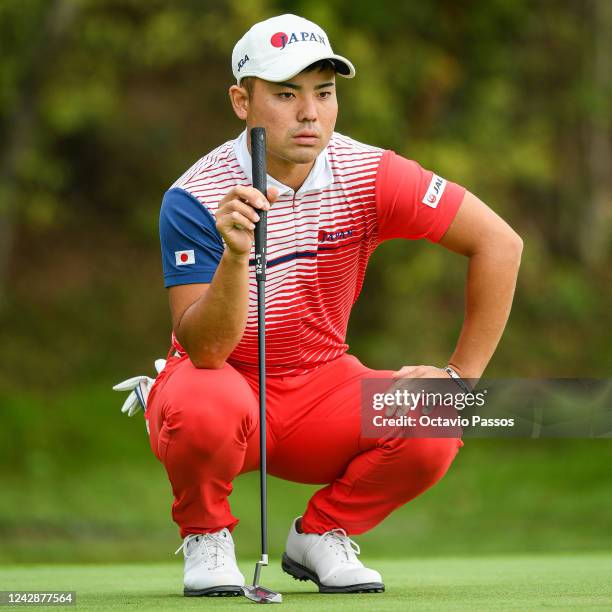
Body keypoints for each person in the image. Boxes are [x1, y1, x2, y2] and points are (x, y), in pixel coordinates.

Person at [119, 13, 522, 598]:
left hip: (321, 388)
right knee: (203, 398)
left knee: (435, 415)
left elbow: (499, 244)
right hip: (221, 383)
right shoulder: (195, 196)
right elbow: (205, 348)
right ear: (242, 100)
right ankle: (206, 534)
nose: (310, 113)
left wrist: (460, 376)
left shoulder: (370, 172)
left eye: (324, 93)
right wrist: (236, 257)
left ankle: (323, 533)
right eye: (286, 94)